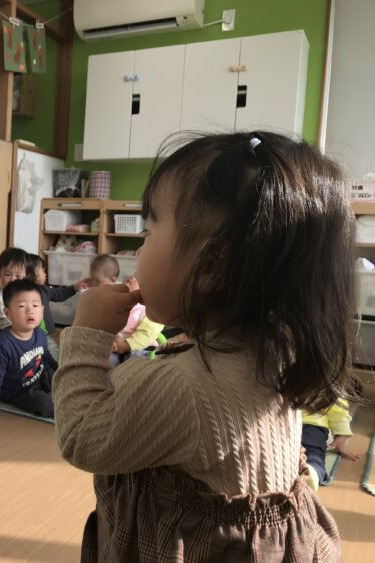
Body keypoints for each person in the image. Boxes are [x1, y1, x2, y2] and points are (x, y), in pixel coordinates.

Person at [53, 132, 357, 561]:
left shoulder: (180, 386)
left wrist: (87, 334)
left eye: (148, 231)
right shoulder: (276, 350)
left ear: (212, 265)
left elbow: (82, 437)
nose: (138, 250)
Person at [0, 279, 57, 422]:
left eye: (35, 305)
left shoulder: (40, 333)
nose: (30, 311)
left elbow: (46, 356)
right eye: (22, 306)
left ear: (42, 310)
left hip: (40, 375)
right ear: (7, 313)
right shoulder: (3, 345)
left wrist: (59, 371)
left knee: (68, 381)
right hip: (19, 390)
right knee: (47, 405)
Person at [302, 400, 360, 489]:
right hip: (313, 426)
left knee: (312, 454)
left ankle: (311, 471)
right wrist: (341, 435)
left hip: (286, 423)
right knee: (314, 456)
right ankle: (312, 471)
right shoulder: (326, 392)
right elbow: (338, 411)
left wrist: (341, 437)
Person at [109, 276, 164, 365]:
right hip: (117, 348)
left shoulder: (150, 311)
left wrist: (126, 345)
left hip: (141, 350)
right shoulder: (120, 307)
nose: (132, 278)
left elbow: (146, 334)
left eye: (138, 278)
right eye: (134, 275)